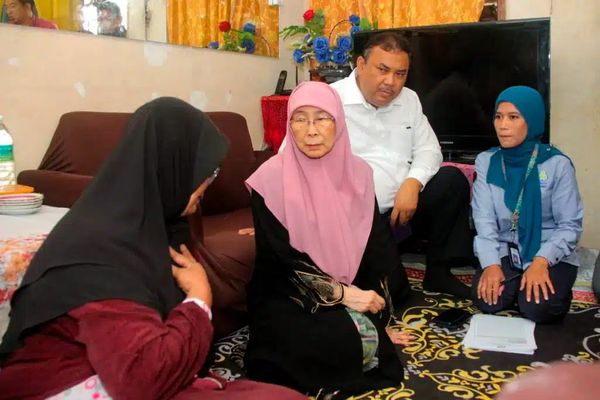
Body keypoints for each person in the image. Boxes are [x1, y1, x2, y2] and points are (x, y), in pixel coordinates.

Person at [0, 97, 306, 400]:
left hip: (133, 369)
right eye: (206, 170)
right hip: (72, 382)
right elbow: (143, 381)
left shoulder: (154, 227)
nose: (209, 182)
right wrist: (199, 300)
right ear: (171, 167)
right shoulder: (100, 259)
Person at [244, 81, 411, 398]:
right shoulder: (269, 180)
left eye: (322, 118)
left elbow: (374, 248)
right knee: (323, 341)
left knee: (368, 335)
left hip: (348, 286)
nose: (311, 131)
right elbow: (280, 261)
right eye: (300, 119)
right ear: (289, 124)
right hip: (289, 293)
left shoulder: (359, 174)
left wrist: (381, 315)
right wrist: (344, 296)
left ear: (339, 122)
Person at [330, 31, 474, 299]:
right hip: (356, 216)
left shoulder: (409, 99)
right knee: (392, 297)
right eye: (382, 70)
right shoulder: (329, 100)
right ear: (360, 65)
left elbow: (429, 149)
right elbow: (294, 162)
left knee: (451, 181)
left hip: (403, 207)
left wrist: (412, 183)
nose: (391, 82)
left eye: (400, 73)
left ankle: (439, 272)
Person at [471, 86, 583, 323]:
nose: (503, 125)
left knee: (538, 308)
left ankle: (544, 288)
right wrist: (491, 265)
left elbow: (569, 226)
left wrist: (541, 262)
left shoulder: (556, 164)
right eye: (498, 117)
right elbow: (484, 221)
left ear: (531, 120)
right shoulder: (486, 161)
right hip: (506, 247)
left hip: (548, 249)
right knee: (487, 300)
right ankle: (517, 286)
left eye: (513, 117)